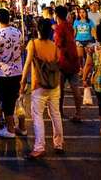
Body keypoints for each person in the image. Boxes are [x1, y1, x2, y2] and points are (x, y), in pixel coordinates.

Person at [20, 19, 63, 159]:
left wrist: (22, 82)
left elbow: (27, 64)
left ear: (37, 30)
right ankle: (59, 144)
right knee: (55, 114)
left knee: (37, 115)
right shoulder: (54, 46)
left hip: (39, 85)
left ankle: (39, 147)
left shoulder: (33, 44)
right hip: (54, 84)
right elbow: (59, 63)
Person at [0, 8, 26, 138]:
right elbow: (22, 49)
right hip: (18, 71)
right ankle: (22, 127)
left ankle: (10, 129)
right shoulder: (18, 32)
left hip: (4, 73)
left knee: (6, 101)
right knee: (18, 99)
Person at [54, 5, 82, 122]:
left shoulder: (59, 28)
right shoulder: (69, 26)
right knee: (75, 88)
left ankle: (60, 112)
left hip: (63, 61)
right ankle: (78, 113)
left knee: (60, 89)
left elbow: (58, 45)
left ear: (56, 15)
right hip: (73, 60)